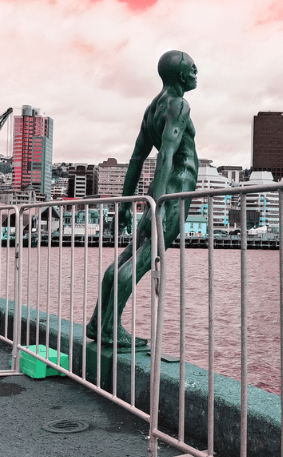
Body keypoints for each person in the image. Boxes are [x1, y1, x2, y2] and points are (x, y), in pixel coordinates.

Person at [86, 50, 199, 347]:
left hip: (158, 189)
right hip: (174, 188)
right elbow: (167, 155)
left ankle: (99, 322)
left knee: (127, 256)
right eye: (192, 68)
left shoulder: (153, 109)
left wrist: (127, 204)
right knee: (145, 259)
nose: (196, 73)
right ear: (180, 74)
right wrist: (159, 204)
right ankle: (110, 329)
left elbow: (137, 158)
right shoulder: (179, 105)